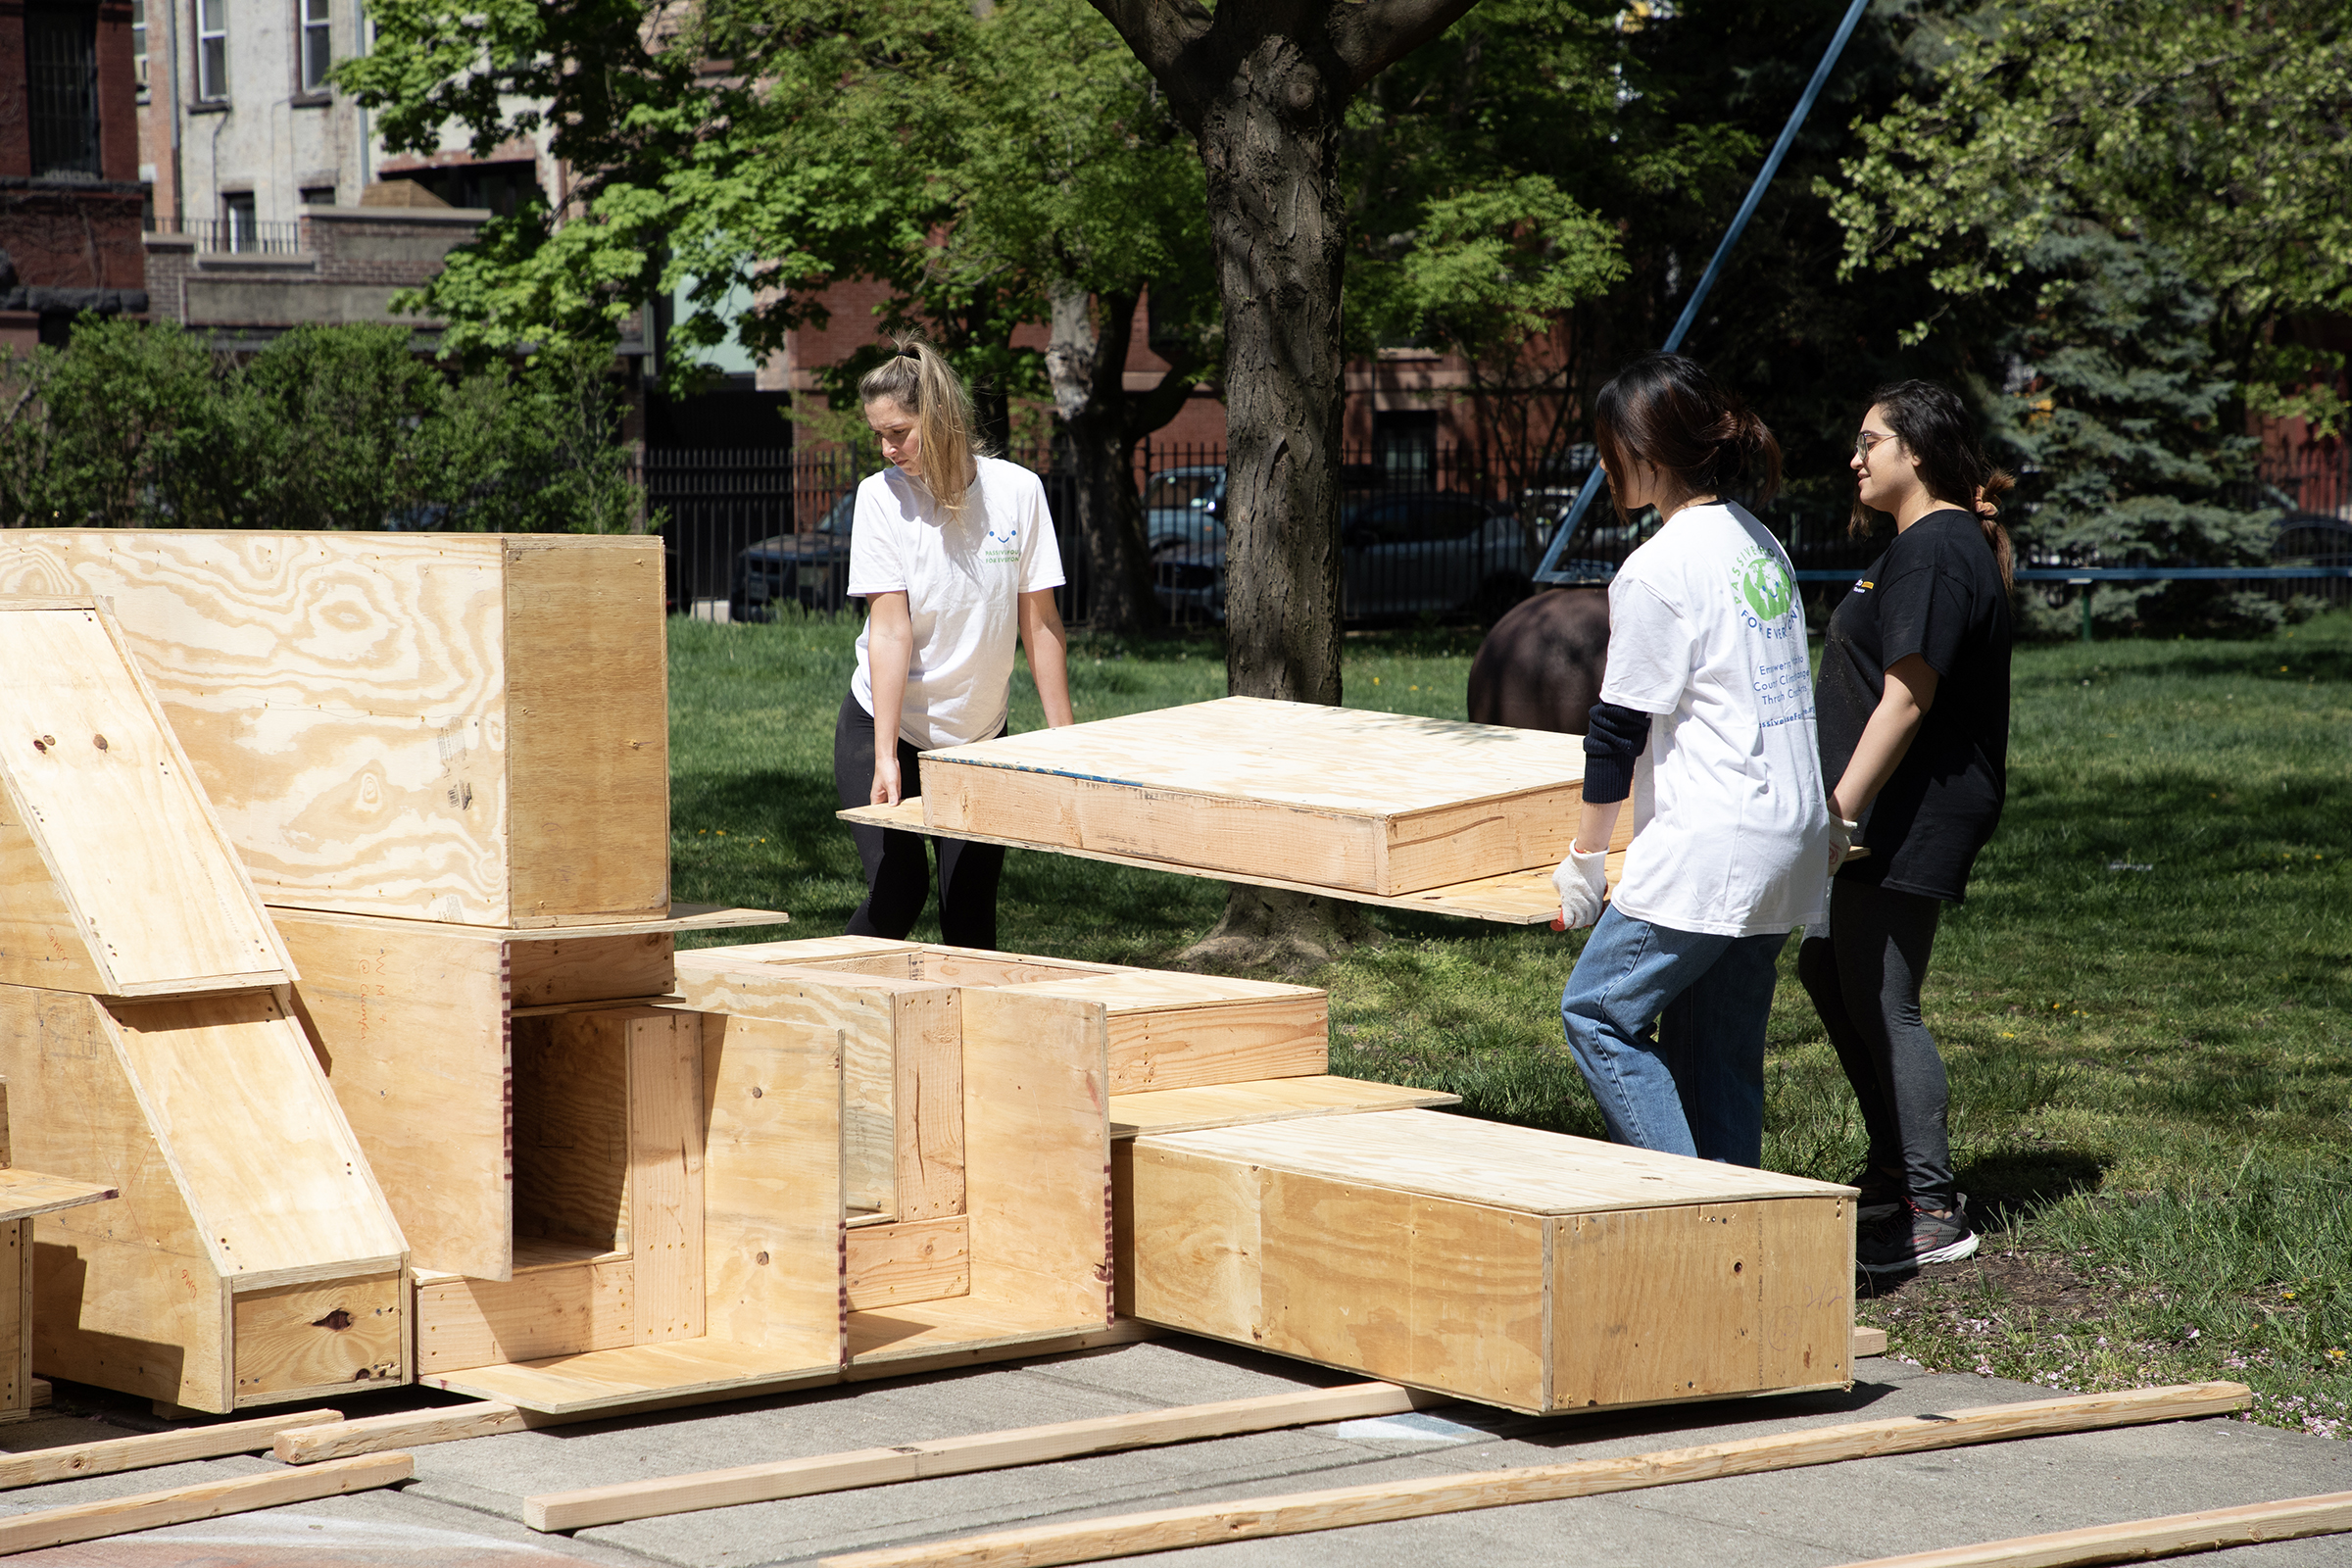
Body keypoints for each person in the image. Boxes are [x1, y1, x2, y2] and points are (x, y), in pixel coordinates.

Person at [1553, 354, 1833, 1166]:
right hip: (1789, 834)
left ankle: (1682, 1215)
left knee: (1600, 1015)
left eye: (1611, 447)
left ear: (1647, 450)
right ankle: (1738, 1255)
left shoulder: (1658, 568)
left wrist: (1586, 857)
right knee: (1717, 1054)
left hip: (1715, 843)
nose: (1606, 466)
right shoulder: (1760, 544)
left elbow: (1617, 729)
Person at [1799, 379, 2014, 1273]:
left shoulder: (1932, 550)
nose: (1856, 457)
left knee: (1885, 998)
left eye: (1870, 440)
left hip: (1908, 804)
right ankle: (1894, 1171)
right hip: (1885, 801)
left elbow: (1906, 697)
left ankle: (1930, 1207)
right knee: (1825, 966)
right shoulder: (1922, 546)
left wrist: (1838, 811)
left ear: (1915, 451)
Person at [832, 338, 1075, 950]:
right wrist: (888, 756)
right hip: (886, 726)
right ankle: (830, 1004)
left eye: (900, 432)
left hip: (978, 735)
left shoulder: (1018, 492)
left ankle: (973, 1043)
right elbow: (890, 628)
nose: (888, 449)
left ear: (939, 419)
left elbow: (1040, 622)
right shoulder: (880, 497)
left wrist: (1069, 744)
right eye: (879, 435)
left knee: (969, 915)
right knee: (900, 888)